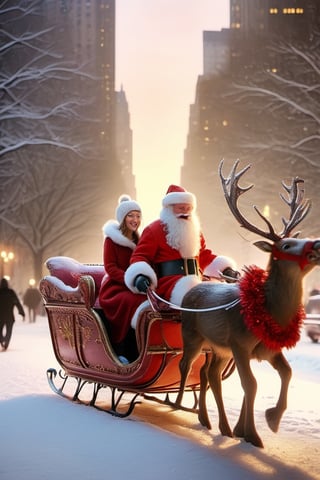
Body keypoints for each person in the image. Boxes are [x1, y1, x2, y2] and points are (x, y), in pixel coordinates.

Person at [125, 184, 239, 306]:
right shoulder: (154, 230)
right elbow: (140, 256)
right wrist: (140, 276)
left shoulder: (194, 231)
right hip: (169, 285)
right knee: (193, 291)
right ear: (169, 208)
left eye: (188, 208)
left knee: (223, 293)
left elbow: (203, 255)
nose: (185, 212)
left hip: (198, 279)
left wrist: (225, 270)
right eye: (181, 208)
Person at [99, 195, 148, 363]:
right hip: (115, 287)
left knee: (149, 301)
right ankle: (122, 349)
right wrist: (131, 280)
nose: (135, 220)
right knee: (132, 301)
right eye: (131, 215)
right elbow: (110, 268)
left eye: (138, 216)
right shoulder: (111, 240)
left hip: (135, 285)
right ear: (122, 218)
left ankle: (144, 347)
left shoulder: (140, 240)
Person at [0, 278, 25, 350]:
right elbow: (17, 303)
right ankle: (6, 343)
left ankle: (2, 340)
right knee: (9, 330)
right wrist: (22, 313)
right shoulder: (11, 292)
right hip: (9, 316)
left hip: (0, 316)